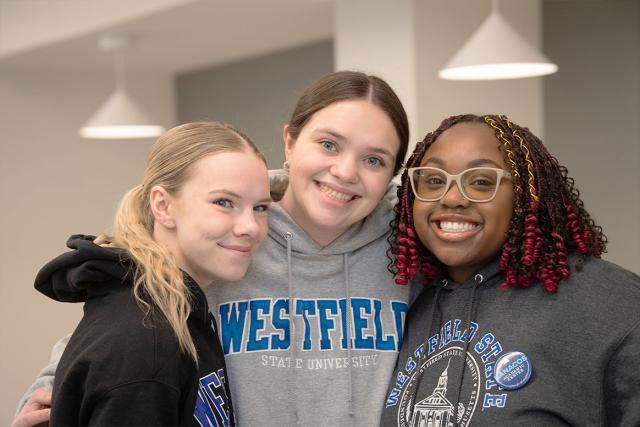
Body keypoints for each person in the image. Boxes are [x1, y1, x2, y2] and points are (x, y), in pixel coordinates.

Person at [15, 71, 414, 426]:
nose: (345, 171)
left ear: (392, 175)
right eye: (328, 145)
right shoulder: (228, 240)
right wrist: (44, 398)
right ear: (290, 143)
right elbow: (120, 323)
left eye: (374, 160)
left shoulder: (410, 250)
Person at [381, 114, 640, 426]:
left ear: (526, 197)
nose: (451, 198)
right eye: (434, 180)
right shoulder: (404, 302)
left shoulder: (609, 302)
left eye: (481, 182)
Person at [15, 121, 272, 426]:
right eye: (223, 202)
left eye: (260, 207)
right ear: (163, 206)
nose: (251, 228)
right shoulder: (146, 343)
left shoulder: (175, 313)